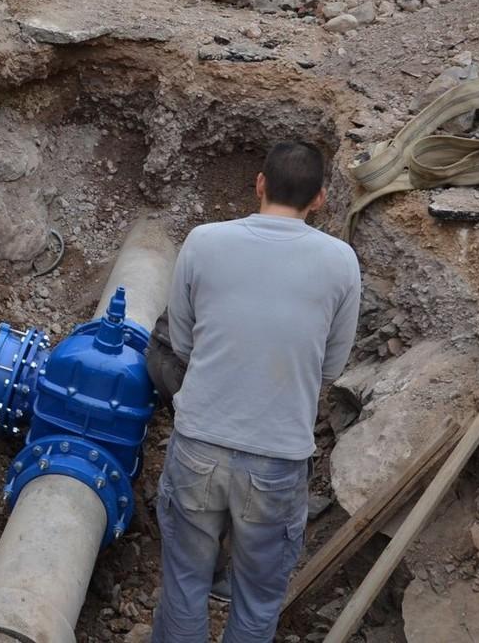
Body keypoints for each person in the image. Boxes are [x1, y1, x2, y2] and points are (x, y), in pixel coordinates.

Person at [149, 140, 361, 643]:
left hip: (199, 443)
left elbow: (180, 341)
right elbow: (331, 365)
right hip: (278, 460)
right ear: (321, 199)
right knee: (258, 599)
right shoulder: (341, 262)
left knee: (184, 587)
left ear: (260, 182)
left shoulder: (203, 242)